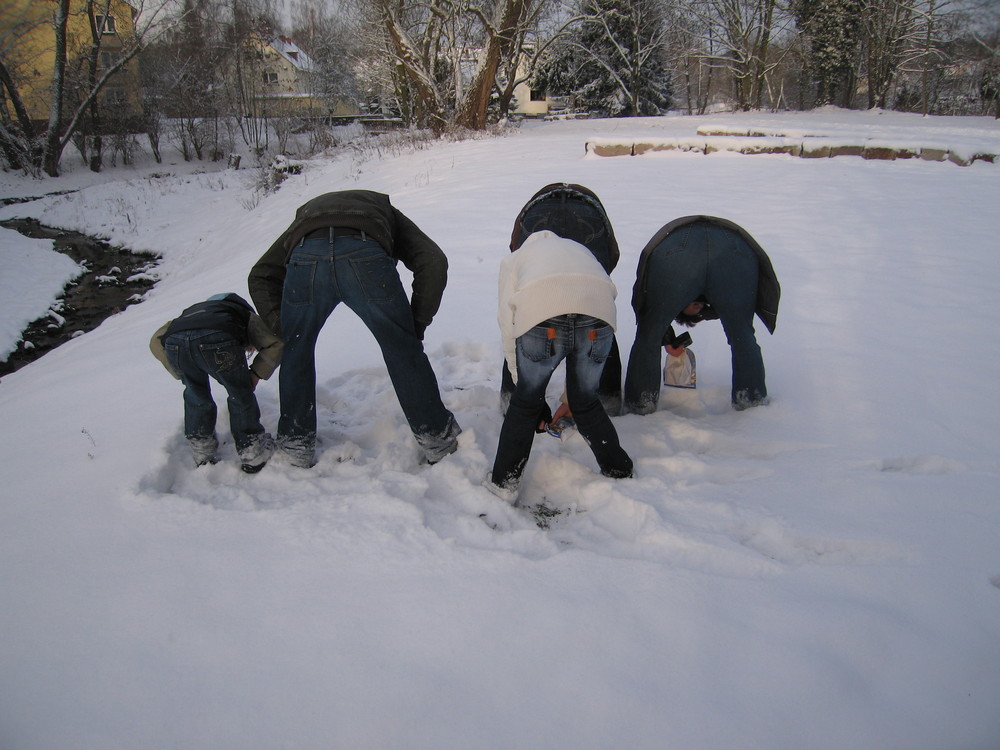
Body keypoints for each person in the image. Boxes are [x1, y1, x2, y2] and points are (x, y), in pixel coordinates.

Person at [248, 190, 460, 468]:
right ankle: (437, 440)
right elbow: (433, 260)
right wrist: (412, 328)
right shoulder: (386, 212)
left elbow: (260, 274)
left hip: (305, 258)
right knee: (402, 351)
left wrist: (285, 327)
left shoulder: (306, 217)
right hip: (365, 255)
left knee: (296, 352)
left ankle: (295, 446)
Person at [486, 230, 633, 502]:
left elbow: (509, 323)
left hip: (543, 318)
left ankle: (503, 484)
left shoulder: (516, 259)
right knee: (586, 401)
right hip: (598, 319)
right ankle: (618, 468)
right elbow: (602, 293)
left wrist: (523, 385)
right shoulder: (579, 249)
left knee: (525, 403)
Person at [623, 215, 780, 414]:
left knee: (649, 335)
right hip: (735, 248)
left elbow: (652, 313)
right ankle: (751, 402)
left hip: (677, 247)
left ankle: (640, 404)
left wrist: (662, 333)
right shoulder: (710, 299)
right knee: (743, 336)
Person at [502, 182, 624, 417]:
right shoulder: (592, 209)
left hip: (537, 212)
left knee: (523, 316)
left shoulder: (527, 244)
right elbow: (611, 258)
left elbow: (517, 282)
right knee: (596, 315)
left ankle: (512, 401)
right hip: (589, 215)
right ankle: (605, 400)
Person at [150, 292, 282, 472]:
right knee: (239, 393)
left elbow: (155, 341)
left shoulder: (189, 313)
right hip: (218, 340)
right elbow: (276, 344)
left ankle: (202, 449)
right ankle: (252, 452)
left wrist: (179, 371)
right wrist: (256, 373)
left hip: (176, 344)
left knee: (195, 393)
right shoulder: (242, 313)